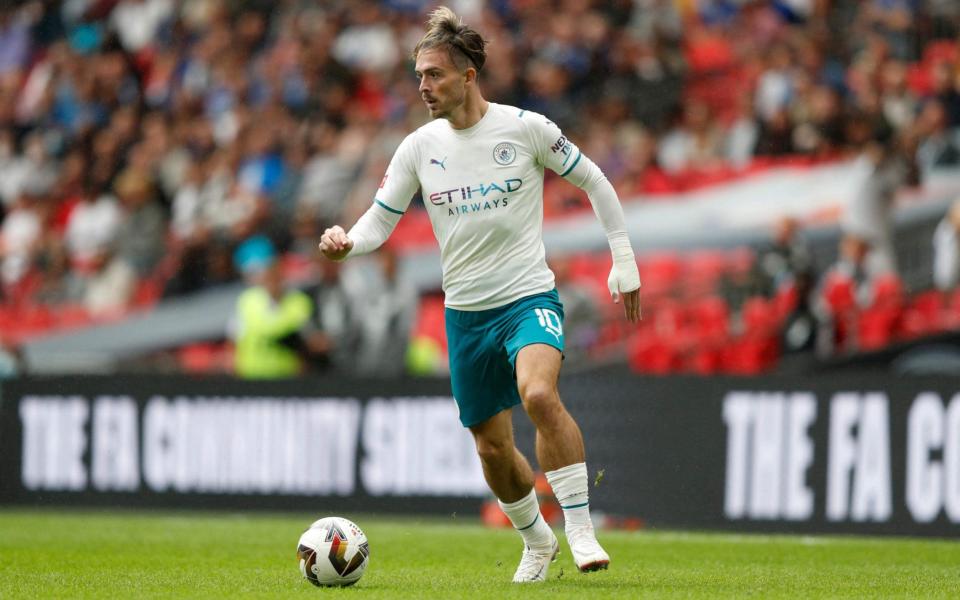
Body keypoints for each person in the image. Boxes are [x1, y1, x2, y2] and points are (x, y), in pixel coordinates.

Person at [318, 7, 641, 583]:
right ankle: (536, 540)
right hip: (465, 314)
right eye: (418, 77)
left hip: (527, 296)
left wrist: (623, 260)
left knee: (538, 393)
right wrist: (348, 242)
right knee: (492, 450)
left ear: (468, 75)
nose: (423, 87)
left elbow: (595, 179)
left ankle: (580, 526)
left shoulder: (526, 129)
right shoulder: (419, 147)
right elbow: (379, 220)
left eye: (434, 75)